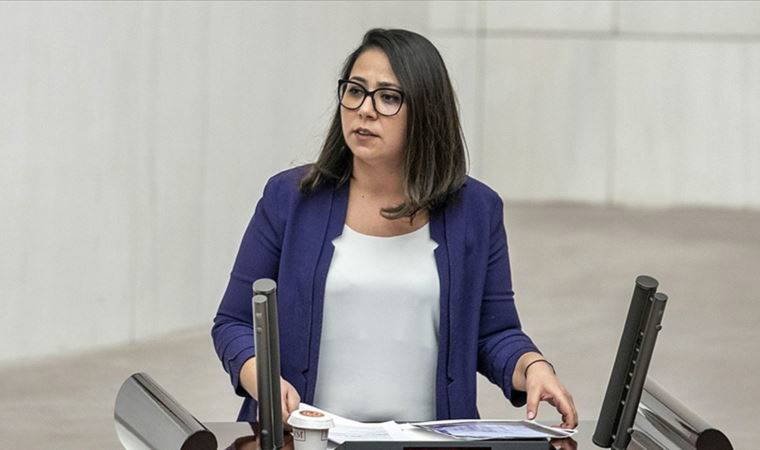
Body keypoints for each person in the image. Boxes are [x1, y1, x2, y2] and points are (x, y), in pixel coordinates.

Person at [211, 28, 578, 429]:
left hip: (429, 439)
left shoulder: (476, 210)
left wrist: (534, 366)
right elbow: (234, 323)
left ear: (426, 111)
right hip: (305, 437)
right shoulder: (290, 198)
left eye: (388, 97)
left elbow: (494, 333)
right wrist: (260, 378)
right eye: (355, 91)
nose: (365, 110)